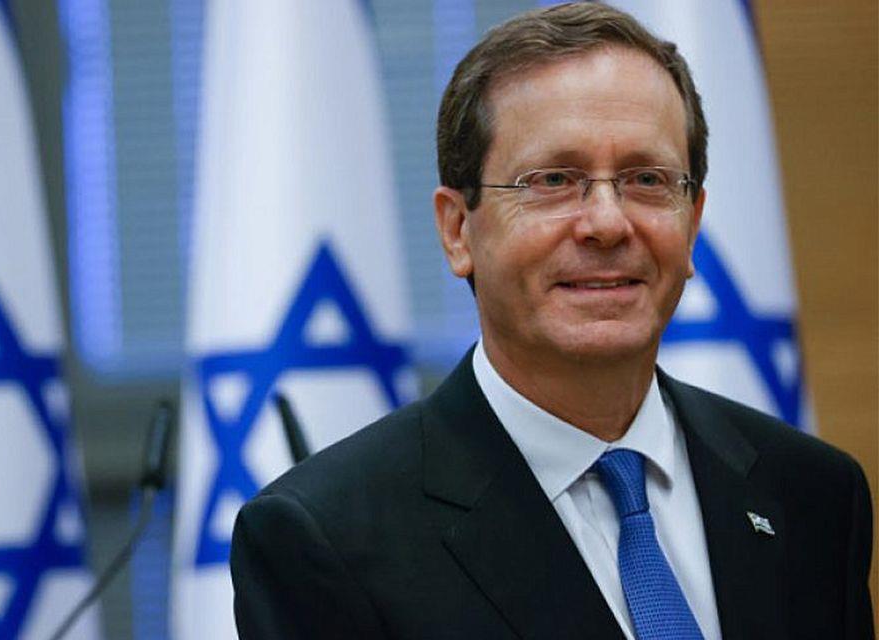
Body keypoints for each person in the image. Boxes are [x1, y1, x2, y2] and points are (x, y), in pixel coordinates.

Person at [229, 3, 874, 639]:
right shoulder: (327, 539)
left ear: (693, 222)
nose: (607, 223)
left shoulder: (813, 495)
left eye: (647, 179)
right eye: (553, 180)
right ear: (457, 230)